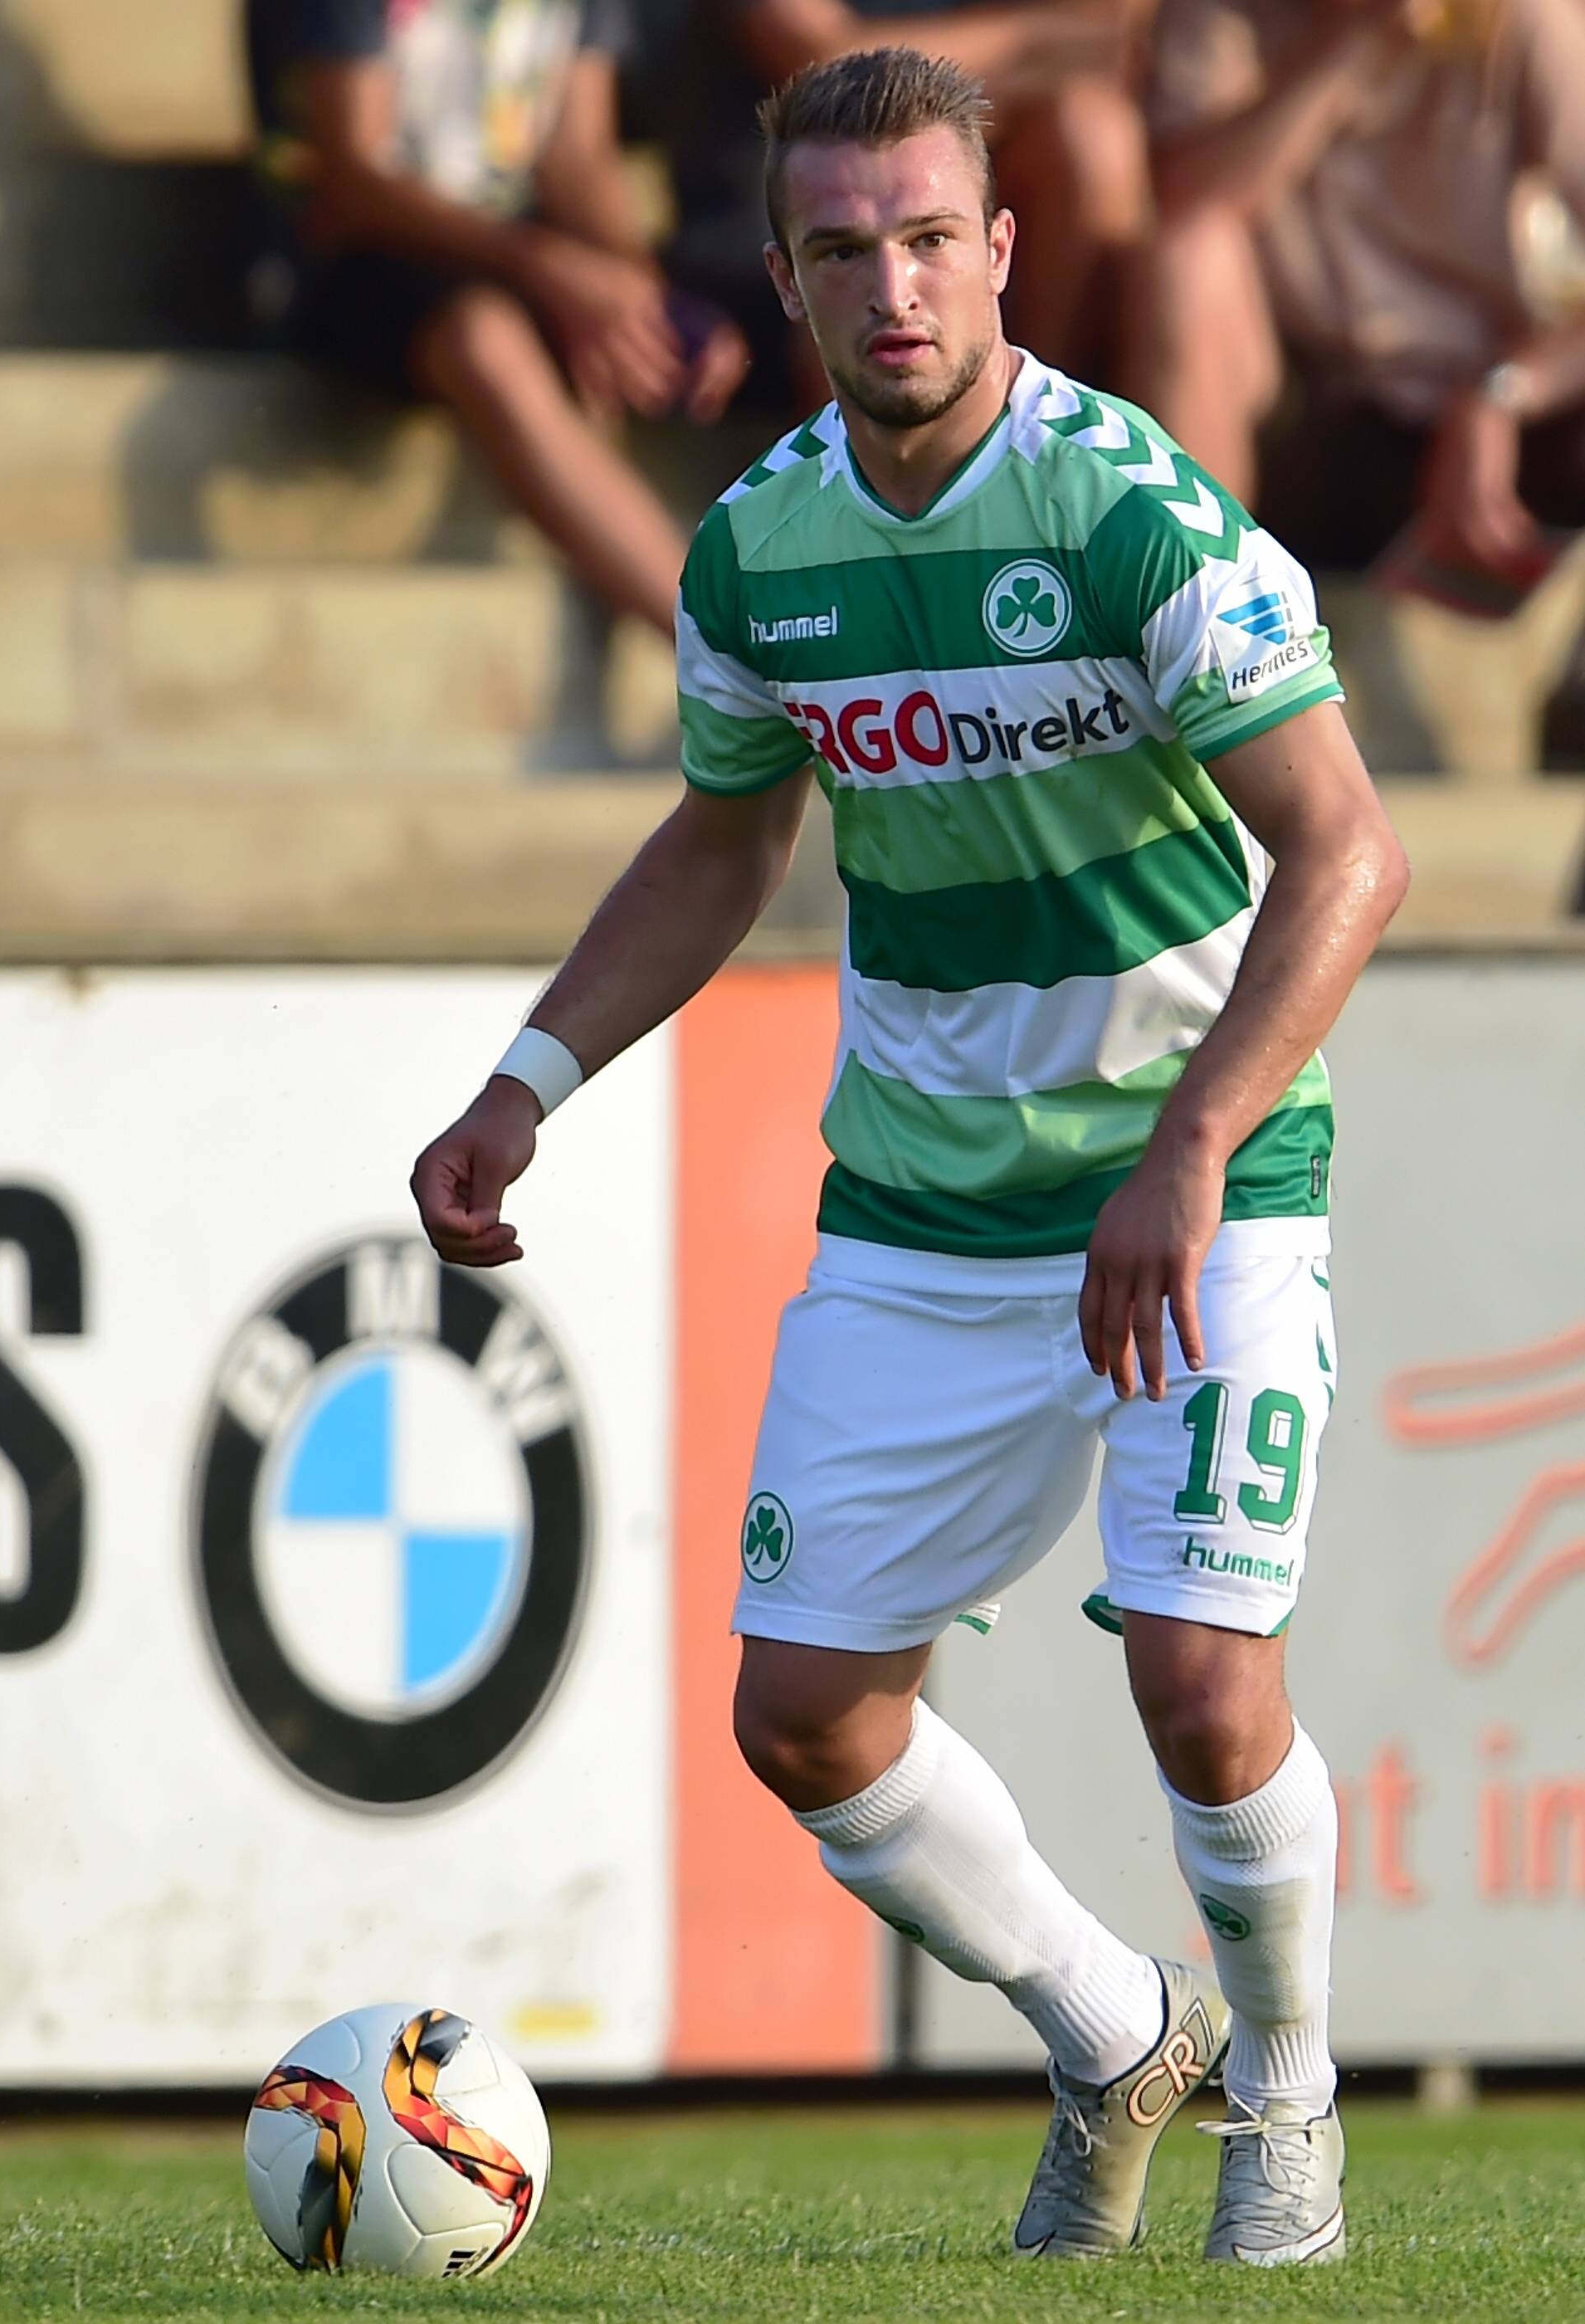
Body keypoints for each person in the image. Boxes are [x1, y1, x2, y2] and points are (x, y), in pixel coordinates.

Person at [412, 46, 1410, 2265]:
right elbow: (723, 837)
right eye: (843, 247)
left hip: (1195, 1178)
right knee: (802, 1720)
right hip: (925, 1208)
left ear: (1001, 248)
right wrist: (525, 1081)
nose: (895, 286)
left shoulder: (1129, 513)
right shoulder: (758, 548)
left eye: (931, 237)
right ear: (782, 277)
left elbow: (1348, 851)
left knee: (1197, 1682)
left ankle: (1286, 2107)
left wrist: (1193, 1140)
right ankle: (1112, 2029)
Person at [244, 0, 749, 641]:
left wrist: (642, 296)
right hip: (349, 258)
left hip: (510, 254)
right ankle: (723, 655)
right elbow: (355, 182)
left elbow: (575, 154)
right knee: (485, 339)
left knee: (663, 335)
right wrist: (552, 269)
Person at [1134, 0, 1585, 579]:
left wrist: (1501, 393)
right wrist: (1351, 49)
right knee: (1188, 256)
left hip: (1475, 401)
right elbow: (1186, 199)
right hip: (1303, 400)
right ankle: (1205, 599)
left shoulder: (1519, 20)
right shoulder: (1224, 16)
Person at [656, 0, 1151, 403]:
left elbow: (1113, 32)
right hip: (765, 254)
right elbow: (832, 69)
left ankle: (1037, 424)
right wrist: (1036, 39)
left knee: (1091, 136)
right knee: (861, 233)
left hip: (953, 225)